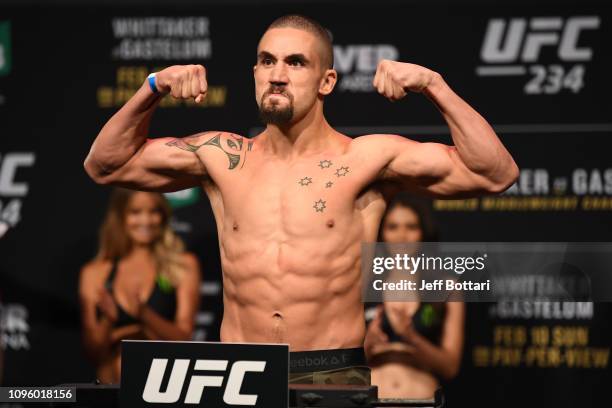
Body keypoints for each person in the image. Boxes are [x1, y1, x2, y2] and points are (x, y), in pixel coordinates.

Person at [83, 15, 517, 385]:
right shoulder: (222, 157)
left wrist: (432, 85)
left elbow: (495, 172)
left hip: (331, 370)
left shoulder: (367, 160)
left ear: (327, 80)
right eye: (267, 61)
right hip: (240, 368)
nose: (277, 74)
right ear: (253, 72)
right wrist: (153, 87)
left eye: (295, 63)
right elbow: (104, 165)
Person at [79, 189, 201, 384]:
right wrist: (109, 320)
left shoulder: (183, 264)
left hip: (163, 381)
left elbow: (184, 337)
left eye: (153, 211)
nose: (146, 220)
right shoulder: (95, 272)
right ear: (120, 216)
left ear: (163, 215)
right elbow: (93, 351)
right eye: (135, 212)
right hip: (111, 385)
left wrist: (144, 314)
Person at [364, 194, 464, 398]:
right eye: (393, 227)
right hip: (370, 400)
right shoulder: (362, 284)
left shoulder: (447, 286)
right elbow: (340, 365)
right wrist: (368, 343)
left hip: (421, 398)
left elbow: (450, 367)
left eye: (411, 227)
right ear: (381, 233)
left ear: (423, 232)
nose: (402, 236)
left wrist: (413, 338)